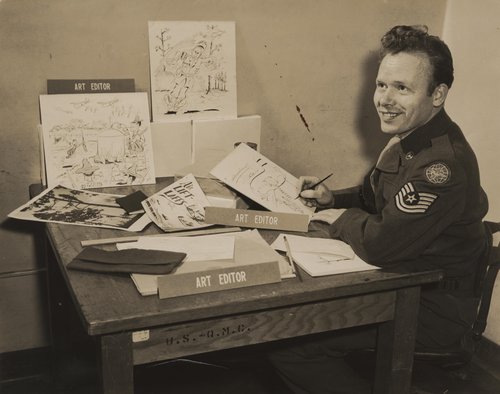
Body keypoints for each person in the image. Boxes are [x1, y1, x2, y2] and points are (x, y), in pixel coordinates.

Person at [268, 25, 489, 393]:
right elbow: (377, 198)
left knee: (292, 345)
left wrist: (341, 220)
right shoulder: (409, 139)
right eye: (382, 85)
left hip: (431, 305)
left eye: (402, 88)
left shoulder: (442, 166)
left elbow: (381, 243)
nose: (384, 99)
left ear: (438, 94)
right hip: (401, 282)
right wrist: (333, 198)